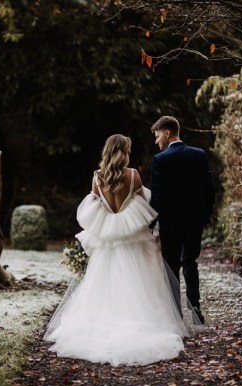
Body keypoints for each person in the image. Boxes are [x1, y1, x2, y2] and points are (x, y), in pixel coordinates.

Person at [44, 134, 199, 367]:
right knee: (140, 284)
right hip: (132, 241)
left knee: (102, 285)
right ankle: (139, 321)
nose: (130, 153)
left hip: (107, 241)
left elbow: (94, 208)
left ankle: (103, 323)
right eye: (128, 149)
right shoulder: (134, 176)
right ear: (123, 152)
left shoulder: (97, 178)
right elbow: (148, 205)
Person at [150, 116, 215, 325]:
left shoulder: (160, 160)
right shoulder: (199, 155)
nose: (156, 141)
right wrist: (204, 215)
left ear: (167, 132)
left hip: (170, 223)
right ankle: (195, 310)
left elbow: (157, 198)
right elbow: (209, 189)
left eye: (157, 135)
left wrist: (152, 222)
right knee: (190, 262)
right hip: (194, 221)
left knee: (171, 267)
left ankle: (176, 315)